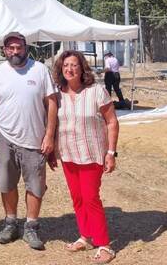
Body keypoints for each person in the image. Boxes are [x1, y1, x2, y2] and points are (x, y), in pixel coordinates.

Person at [0, 32, 58, 250]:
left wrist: (49, 135)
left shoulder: (40, 70)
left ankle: (31, 227)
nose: (15, 51)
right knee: (6, 183)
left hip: (35, 139)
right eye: (10, 48)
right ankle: (10, 223)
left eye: (18, 47)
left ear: (26, 48)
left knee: (35, 185)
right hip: (6, 138)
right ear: (4, 50)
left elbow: (52, 103)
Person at [51, 50, 119, 264]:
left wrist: (111, 152)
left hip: (91, 154)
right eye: (65, 66)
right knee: (77, 198)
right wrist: (53, 151)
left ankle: (104, 244)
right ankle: (85, 236)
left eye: (74, 65)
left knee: (91, 198)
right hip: (68, 154)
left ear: (82, 68)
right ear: (61, 70)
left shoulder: (96, 91)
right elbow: (53, 125)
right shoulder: (57, 95)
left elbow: (112, 122)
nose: (70, 69)